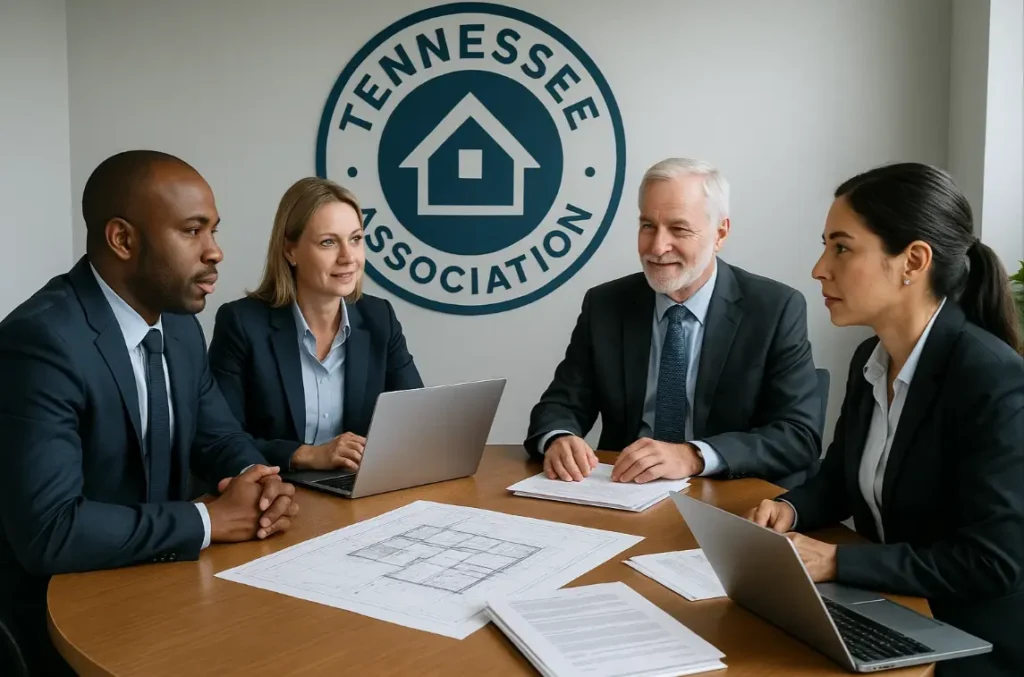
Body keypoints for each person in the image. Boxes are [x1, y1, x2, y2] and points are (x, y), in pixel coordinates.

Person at [0, 150, 299, 675]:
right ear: (123, 240)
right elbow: (51, 530)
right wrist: (208, 519)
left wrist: (258, 479)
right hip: (62, 617)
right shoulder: (41, 342)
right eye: (192, 231)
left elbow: (219, 436)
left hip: (160, 585)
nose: (216, 252)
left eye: (213, 231)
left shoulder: (179, 325)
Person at [749, 163, 1024, 676]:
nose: (818, 269)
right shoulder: (871, 358)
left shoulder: (993, 380)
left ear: (913, 261)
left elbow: (993, 563)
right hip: (892, 609)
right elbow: (839, 477)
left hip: (973, 644)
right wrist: (789, 509)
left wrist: (836, 562)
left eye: (841, 248)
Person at [525, 158, 822, 488]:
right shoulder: (606, 305)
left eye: (679, 229)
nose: (657, 247)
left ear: (720, 233)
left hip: (728, 495)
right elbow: (561, 404)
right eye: (648, 226)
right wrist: (559, 437)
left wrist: (694, 455)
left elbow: (798, 435)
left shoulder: (774, 308)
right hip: (625, 492)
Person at [208, 177, 422, 472]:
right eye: (328, 242)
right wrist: (305, 454)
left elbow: (415, 421)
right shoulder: (242, 324)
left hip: (356, 489)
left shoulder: (379, 317)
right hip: (277, 491)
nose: (348, 257)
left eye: (356, 239)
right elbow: (219, 439)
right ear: (290, 251)